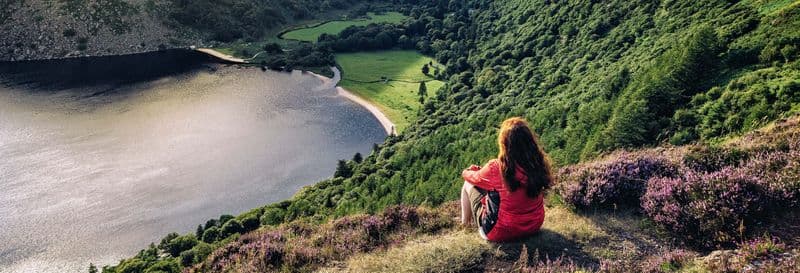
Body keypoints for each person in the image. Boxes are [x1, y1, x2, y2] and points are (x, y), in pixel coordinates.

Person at [460, 117, 554, 242]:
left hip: (499, 232)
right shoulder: (537, 163)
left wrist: (467, 171)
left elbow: (472, 178)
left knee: (468, 184)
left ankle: (465, 228)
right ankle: (466, 228)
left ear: (504, 144)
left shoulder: (496, 168)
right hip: (533, 226)